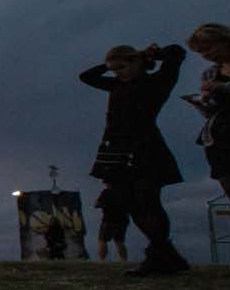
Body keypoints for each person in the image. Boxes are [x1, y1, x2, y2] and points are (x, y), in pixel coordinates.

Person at [81, 42, 190, 275]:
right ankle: (165, 253)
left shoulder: (156, 82)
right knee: (129, 203)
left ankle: (160, 254)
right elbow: (86, 76)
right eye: (114, 69)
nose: (118, 73)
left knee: (148, 200)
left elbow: (177, 53)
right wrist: (110, 66)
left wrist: (149, 54)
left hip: (145, 147)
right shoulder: (115, 85)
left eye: (122, 67)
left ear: (136, 63)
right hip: (116, 148)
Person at [185, 23, 230, 250]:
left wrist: (226, 87)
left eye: (208, 49)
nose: (206, 56)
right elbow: (212, 110)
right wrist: (200, 104)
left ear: (225, 40)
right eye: (201, 52)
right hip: (221, 138)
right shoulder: (211, 73)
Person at [94, 187, 129, 261]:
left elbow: (96, 204)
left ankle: (102, 260)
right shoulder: (125, 192)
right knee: (119, 241)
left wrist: (105, 205)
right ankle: (124, 260)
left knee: (102, 240)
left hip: (109, 219)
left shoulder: (107, 192)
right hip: (123, 220)